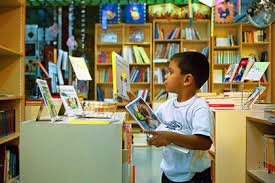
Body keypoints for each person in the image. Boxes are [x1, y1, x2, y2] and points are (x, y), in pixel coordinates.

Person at [127, 52, 214, 183]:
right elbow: (154, 125)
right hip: (169, 174)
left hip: (195, 177)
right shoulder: (166, 105)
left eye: (170, 72)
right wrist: (137, 107)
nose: (166, 76)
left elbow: (204, 142)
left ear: (187, 80)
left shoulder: (199, 108)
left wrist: (169, 137)